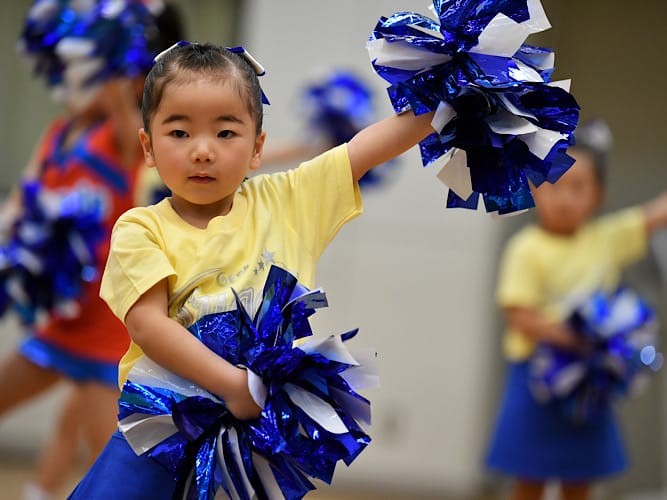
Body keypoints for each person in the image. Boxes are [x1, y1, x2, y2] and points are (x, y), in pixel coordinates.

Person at [66, 41, 437, 499]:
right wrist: (232, 386)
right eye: (179, 133)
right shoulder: (140, 227)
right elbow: (148, 325)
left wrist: (449, 99)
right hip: (163, 427)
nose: (202, 151)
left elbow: (365, 149)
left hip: (257, 435)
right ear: (148, 146)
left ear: (257, 147)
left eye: (225, 133)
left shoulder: (289, 203)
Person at [0, 2, 183, 499]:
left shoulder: (127, 137)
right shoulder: (59, 133)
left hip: (106, 328)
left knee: (114, 466)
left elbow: (127, 91)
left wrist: (119, 41)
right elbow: (19, 205)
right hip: (61, 321)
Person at [484, 120, 667, 500]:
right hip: (534, 379)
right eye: (554, 184)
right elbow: (519, 313)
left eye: (578, 187)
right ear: (535, 187)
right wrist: (576, 339)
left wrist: (592, 349)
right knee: (528, 477)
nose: (565, 198)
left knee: (579, 479)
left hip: (591, 383)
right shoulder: (526, 247)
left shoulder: (606, 239)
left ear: (598, 194)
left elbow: (654, 215)